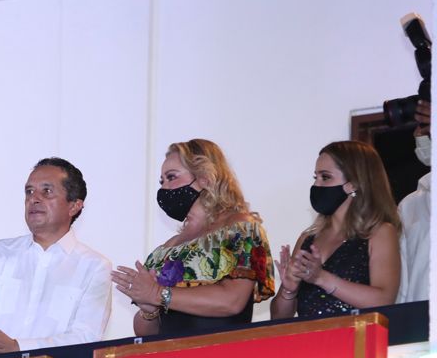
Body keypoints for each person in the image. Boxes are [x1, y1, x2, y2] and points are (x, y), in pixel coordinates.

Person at [0, 157, 111, 353]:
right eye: (29, 191)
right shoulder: (0, 252)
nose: (34, 199)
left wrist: (18, 347)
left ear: (74, 206)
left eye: (47, 191)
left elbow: (86, 337)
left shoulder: (94, 266)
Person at [113, 139, 274, 336]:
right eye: (162, 181)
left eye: (172, 177)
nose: (164, 188)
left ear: (205, 177)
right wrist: (149, 311)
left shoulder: (240, 228)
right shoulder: (165, 250)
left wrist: (157, 294)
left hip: (222, 356)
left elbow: (232, 301)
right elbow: (146, 335)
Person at [271, 140, 400, 319]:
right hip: (311, 343)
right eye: (315, 177)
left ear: (353, 183)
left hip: (357, 342)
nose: (317, 185)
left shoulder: (379, 233)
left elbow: (384, 300)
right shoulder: (308, 238)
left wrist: (321, 278)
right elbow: (278, 319)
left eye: (325, 177)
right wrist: (289, 288)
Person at [397, 99, 430, 303]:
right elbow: (403, 283)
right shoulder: (409, 205)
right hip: (422, 325)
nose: (419, 134)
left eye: (425, 126)